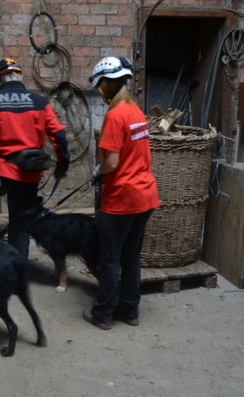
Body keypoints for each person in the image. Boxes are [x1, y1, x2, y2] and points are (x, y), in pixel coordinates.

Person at [82, 56, 159, 330]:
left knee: (110, 259)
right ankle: (130, 311)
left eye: (99, 86)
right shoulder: (136, 111)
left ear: (106, 84)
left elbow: (112, 162)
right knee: (131, 256)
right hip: (145, 196)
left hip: (122, 199)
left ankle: (103, 314)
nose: (99, 92)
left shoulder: (115, 116)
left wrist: (98, 171)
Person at [0, 57, 70, 258]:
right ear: (21, 76)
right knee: (20, 226)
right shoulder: (40, 102)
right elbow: (59, 136)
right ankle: (18, 272)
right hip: (28, 174)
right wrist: (62, 165)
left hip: (1, 172)